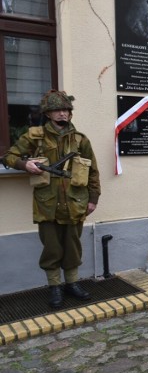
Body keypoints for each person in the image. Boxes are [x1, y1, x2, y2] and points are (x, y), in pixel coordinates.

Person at [3, 90, 101, 309]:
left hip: (76, 202)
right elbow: (9, 156)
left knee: (73, 246)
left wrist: (93, 199)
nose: (62, 114)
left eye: (66, 110)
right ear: (48, 113)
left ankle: (72, 284)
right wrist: (24, 165)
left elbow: (93, 171)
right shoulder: (34, 136)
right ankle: (55, 286)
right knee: (52, 248)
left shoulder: (80, 140)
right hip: (47, 204)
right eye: (57, 110)